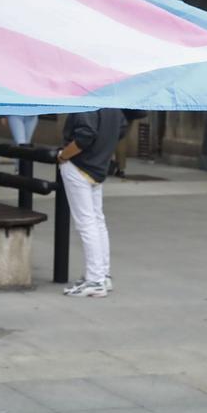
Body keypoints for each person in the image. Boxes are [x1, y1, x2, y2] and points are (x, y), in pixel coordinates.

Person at [57, 106, 125, 298]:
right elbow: (121, 127)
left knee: (86, 223)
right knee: (96, 220)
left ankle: (95, 280)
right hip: (98, 165)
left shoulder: (87, 100)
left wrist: (63, 156)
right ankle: (102, 275)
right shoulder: (111, 101)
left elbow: (85, 136)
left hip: (79, 165)